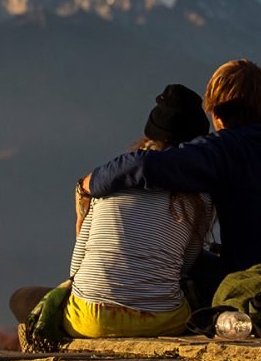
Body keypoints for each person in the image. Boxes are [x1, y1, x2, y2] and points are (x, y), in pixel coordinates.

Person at [80, 60, 261, 281]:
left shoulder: (224, 149)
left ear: (217, 114)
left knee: (179, 262)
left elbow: (143, 165)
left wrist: (87, 184)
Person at [52, 83, 217, 338]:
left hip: (89, 321)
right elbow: (185, 267)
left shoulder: (107, 186)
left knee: (24, 299)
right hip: (161, 321)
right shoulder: (201, 200)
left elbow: (77, 266)